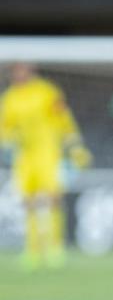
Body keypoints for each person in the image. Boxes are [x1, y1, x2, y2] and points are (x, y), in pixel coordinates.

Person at [0, 62, 92, 270]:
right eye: (16, 71)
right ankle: (33, 250)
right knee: (29, 202)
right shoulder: (9, 99)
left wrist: (75, 147)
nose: (20, 74)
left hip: (49, 152)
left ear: (31, 72)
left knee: (53, 198)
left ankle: (55, 248)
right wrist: (10, 138)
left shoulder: (46, 92)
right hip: (24, 156)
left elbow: (64, 119)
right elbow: (4, 129)